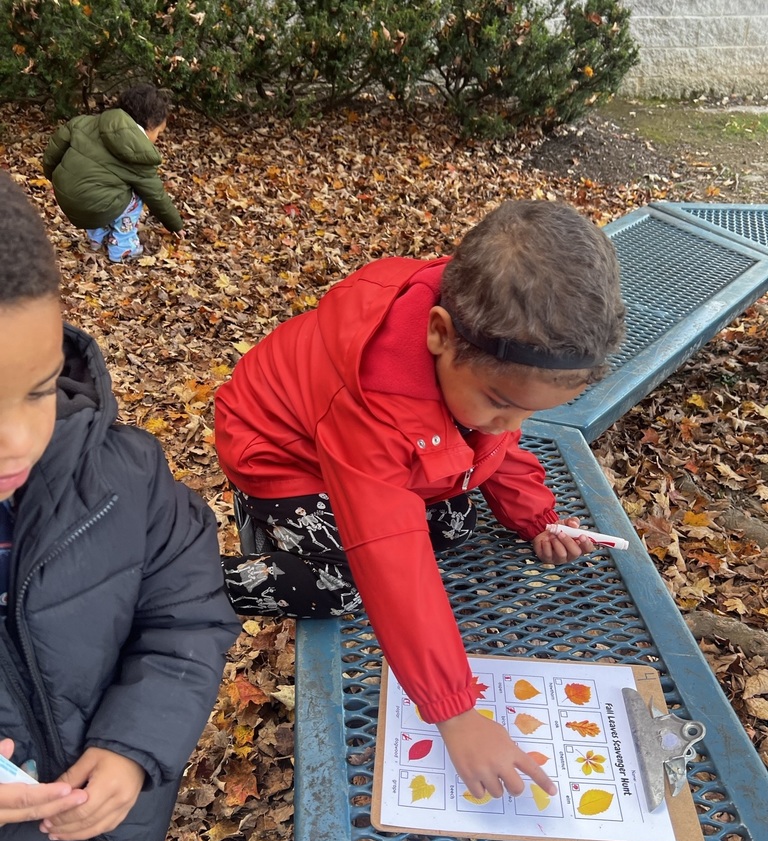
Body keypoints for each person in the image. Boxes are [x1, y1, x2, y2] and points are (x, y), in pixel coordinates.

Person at [215, 199, 625, 802]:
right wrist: (455, 713)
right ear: (438, 333)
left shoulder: (491, 346)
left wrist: (536, 517)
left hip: (382, 450)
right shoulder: (373, 401)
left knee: (456, 520)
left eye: (528, 412)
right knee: (343, 584)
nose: (510, 422)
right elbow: (389, 552)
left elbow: (493, 441)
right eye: (500, 402)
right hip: (284, 458)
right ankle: (192, 578)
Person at [0, 172, 241, 841]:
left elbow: (188, 612)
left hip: (119, 804)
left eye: (35, 389)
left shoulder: (124, 475)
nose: (17, 439)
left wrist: (138, 746)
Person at [42, 83, 184, 263]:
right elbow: (156, 195)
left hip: (67, 199)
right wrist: (175, 225)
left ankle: (97, 237)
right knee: (137, 193)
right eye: (158, 132)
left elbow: (52, 153)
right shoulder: (139, 153)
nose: (157, 139)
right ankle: (123, 248)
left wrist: (54, 178)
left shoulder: (84, 122)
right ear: (149, 124)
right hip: (94, 206)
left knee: (101, 185)